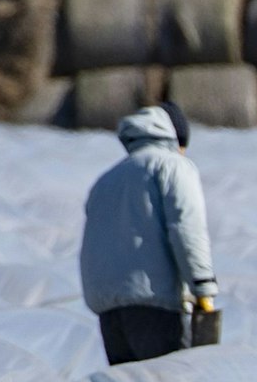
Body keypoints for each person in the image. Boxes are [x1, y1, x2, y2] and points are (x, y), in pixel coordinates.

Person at [79, 101, 218, 365]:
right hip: (155, 305)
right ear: (177, 139)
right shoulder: (173, 165)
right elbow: (186, 228)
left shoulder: (106, 179)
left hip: (110, 313)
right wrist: (202, 287)